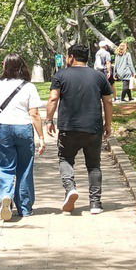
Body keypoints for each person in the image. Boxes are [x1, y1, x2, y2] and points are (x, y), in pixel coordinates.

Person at [46, 44, 114, 214]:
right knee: (94, 165)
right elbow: (108, 101)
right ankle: (95, 204)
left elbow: (53, 99)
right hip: (93, 127)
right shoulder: (99, 76)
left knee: (66, 159)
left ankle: (70, 188)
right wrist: (108, 124)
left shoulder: (61, 75)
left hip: (68, 128)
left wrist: (48, 120)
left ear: (71, 57)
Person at [0, 54, 46, 220]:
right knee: (25, 168)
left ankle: (5, 195)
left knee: (3, 167)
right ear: (21, 66)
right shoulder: (29, 87)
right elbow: (35, 114)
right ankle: (25, 207)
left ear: (4, 66)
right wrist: (41, 138)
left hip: (2, 129)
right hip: (24, 128)